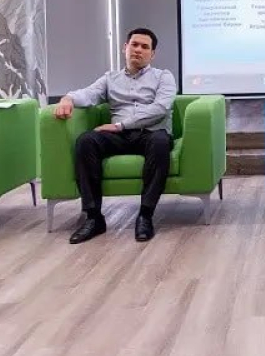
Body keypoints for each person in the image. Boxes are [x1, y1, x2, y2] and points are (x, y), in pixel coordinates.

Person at [54, 28, 177, 243]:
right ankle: (93, 217)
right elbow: (89, 93)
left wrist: (121, 125)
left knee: (160, 142)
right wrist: (68, 98)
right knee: (86, 141)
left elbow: (160, 109)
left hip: (150, 133)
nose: (138, 50)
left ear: (152, 54)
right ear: (125, 48)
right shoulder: (110, 78)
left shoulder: (163, 77)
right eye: (134, 45)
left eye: (145, 47)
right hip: (118, 137)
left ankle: (145, 215)